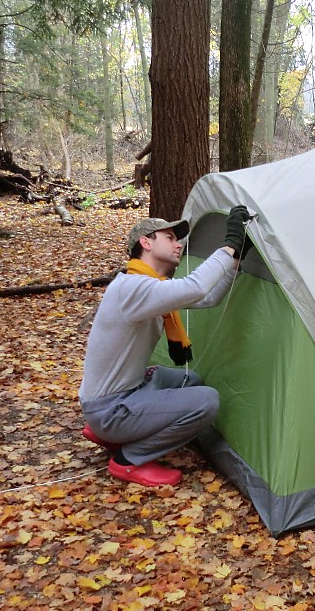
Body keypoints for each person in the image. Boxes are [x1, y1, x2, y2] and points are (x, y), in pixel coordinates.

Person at [78, 206, 252, 487]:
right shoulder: (132, 288)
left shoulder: (149, 285)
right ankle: (129, 458)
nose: (178, 243)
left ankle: (114, 431)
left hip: (113, 395)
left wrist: (236, 262)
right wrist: (229, 245)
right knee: (207, 401)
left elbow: (206, 299)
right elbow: (195, 287)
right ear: (146, 242)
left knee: (190, 380)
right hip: (110, 407)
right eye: (170, 237)